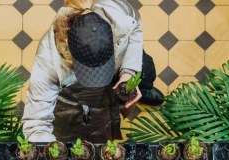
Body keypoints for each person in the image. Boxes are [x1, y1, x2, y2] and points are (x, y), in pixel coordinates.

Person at [22, 0, 165, 144]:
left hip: (119, 62)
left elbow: (135, 28)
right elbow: (36, 122)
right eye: (88, 70)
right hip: (76, 89)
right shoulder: (48, 57)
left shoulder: (119, 14)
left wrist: (128, 72)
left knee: (146, 70)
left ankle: (143, 90)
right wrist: (50, 151)